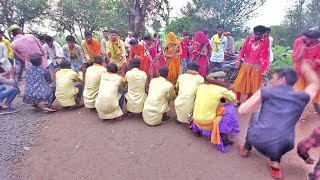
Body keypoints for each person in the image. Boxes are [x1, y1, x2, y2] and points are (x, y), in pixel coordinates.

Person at [237, 62, 320, 179]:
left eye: (273, 78)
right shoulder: (302, 97)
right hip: (286, 145)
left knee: (256, 115)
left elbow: (241, 110)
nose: (270, 81)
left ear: (282, 80)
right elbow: (315, 84)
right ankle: (275, 162)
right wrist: (306, 68)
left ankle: (246, 149)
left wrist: (260, 101)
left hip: (257, 140)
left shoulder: (266, 91)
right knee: (283, 128)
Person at [191, 71, 239, 152]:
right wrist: (230, 90)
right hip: (208, 123)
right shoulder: (221, 89)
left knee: (207, 107)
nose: (223, 80)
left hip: (196, 120)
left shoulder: (201, 86)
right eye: (222, 78)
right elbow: (233, 99)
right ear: (215, 79)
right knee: (230, 108)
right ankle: (223, 136)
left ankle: (197, 130)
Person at [233, 25, 270, 105]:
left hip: (256, 67)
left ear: (262, 34)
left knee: (252, 86)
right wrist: (238, 61)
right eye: (256, 34)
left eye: (259, 34)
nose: (257, 36)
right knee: (239, 83)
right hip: (246, 65)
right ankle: (237, 100)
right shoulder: (248, 39)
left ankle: (248, 102)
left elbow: (266, 55)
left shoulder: (265, 42)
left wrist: (265, 67)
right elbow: (242, 51)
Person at [292, 27, 320, 121]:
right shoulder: (299, 41)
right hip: (301, 72)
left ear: (317, 38)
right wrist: (301, 50)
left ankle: (317, 109)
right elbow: (295, 59)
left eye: (310, 39)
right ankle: (297, 113)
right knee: (299, 92)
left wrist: (316, 62)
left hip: (314, 73)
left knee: (312, 94)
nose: (307, 40)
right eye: (306, 37)